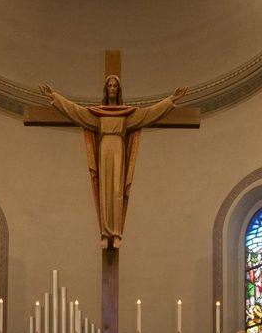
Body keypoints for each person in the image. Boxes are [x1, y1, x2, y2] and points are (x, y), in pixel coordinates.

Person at [39, 77, 187, 248]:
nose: (112, 88)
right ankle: (105, 233)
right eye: (109, 85)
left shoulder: (127, 114)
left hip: (118, 149)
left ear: (119, 90)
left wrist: (170, 101)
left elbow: (149, 113)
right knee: (105, 190)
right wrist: (55, 97)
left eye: (115, 86)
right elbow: (75, 111)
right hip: (104, 149)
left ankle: (116, 233)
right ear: (105, 89)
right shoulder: (97, 114)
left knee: (116, 191)